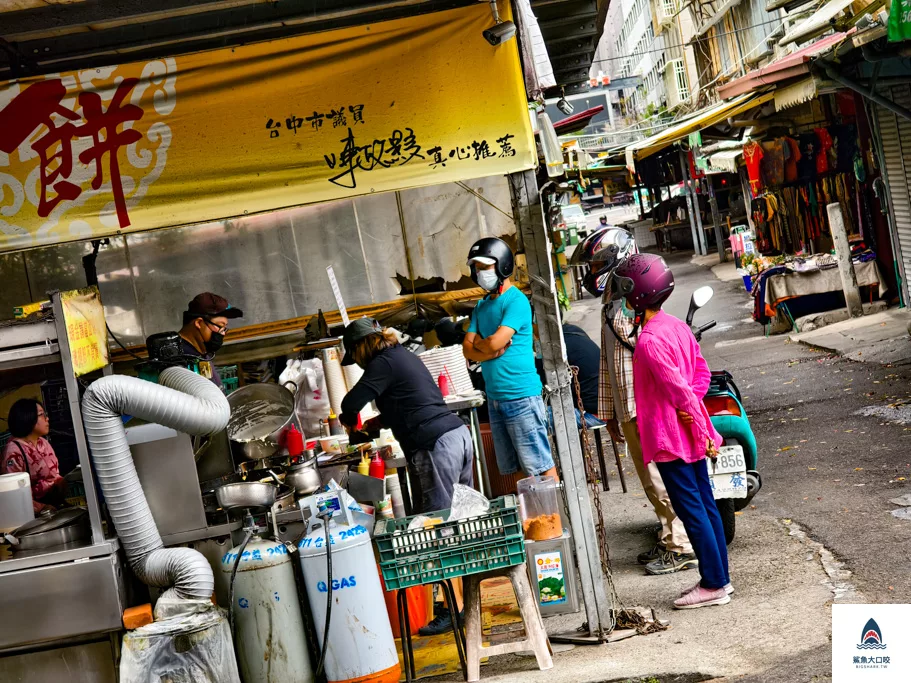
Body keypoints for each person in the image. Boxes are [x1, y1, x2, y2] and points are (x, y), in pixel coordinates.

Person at [338, 317, 473, 635]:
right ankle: (468, 600)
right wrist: (378, 423)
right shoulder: (403, 355)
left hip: (434, 445)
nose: (356, 364)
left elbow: (350, 402)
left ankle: (451, 610)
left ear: (361, 347)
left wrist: (350, 420)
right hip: (456, 435)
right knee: (461, 521)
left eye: (354, 356)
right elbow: (413, 401)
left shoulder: (381, 362)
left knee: (437, 527)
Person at [612, 253, 730, 610]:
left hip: (669, 440)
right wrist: (694, 419)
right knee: (705, 506)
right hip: (685, 433)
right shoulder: (676, 326)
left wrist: (701, 426)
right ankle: (720, 578)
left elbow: (678, 389)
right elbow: (701, 375)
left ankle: (713, 584)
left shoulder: (648, 341)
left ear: (637, 296)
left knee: (691, 509)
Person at [599, 299, 696, 575]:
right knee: (649, 481)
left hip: (645, 405)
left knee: (660, 480)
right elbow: (606, 361)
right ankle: (668, 538)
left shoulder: (633, 304)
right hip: (627, 405)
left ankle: (681, 545)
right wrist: (609, 412)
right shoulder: (609, 307)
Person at [461, 238, 557, 481]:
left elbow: (492, 342)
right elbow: (467, 349)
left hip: (521, 396)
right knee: (515, 470)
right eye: (477, 268)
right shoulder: (481, 307)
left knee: (540, 466)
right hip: (495, 399)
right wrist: (490, 348)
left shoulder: (516, 301)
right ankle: (530, 520)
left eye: (485, 267)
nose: (480, 273)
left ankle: (556, 520)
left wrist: (484, 346)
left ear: (502, 265)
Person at [2, 399, 66, 513]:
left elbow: (54, 474)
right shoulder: (14, 452)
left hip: (54, 505)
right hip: (31, 512)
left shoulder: (43, 443)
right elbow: (15, 494)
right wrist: (41, 508)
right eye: (42, 415)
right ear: (28, 419)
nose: (47, 418)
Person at [178, 292, 243, 386]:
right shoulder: (178, 359)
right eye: (220, 326)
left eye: (224, 328)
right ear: (199, 323)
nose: (223, 333)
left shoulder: (201, 352)